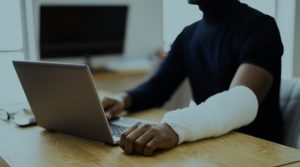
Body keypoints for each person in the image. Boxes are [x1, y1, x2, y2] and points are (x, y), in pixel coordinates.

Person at [102, 0, 284, 156]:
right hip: (213, 144)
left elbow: (243, 100)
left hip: (256, 150)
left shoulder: (260, 27)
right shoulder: (188, 35)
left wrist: (175, 126)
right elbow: (158, 87)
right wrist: (122, 100)